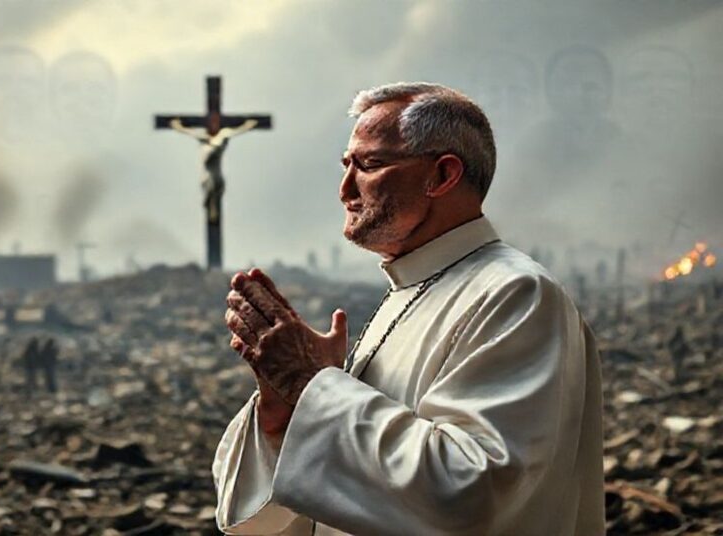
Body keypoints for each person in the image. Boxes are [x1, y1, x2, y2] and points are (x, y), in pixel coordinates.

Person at [214, 82, 603, 535]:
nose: (345, 189)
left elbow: (474, 494)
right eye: (346, 165)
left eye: (370, 164)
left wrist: (312, 384)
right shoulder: (410, 288)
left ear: (441, 176)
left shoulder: (516, 294)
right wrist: (283, 413)